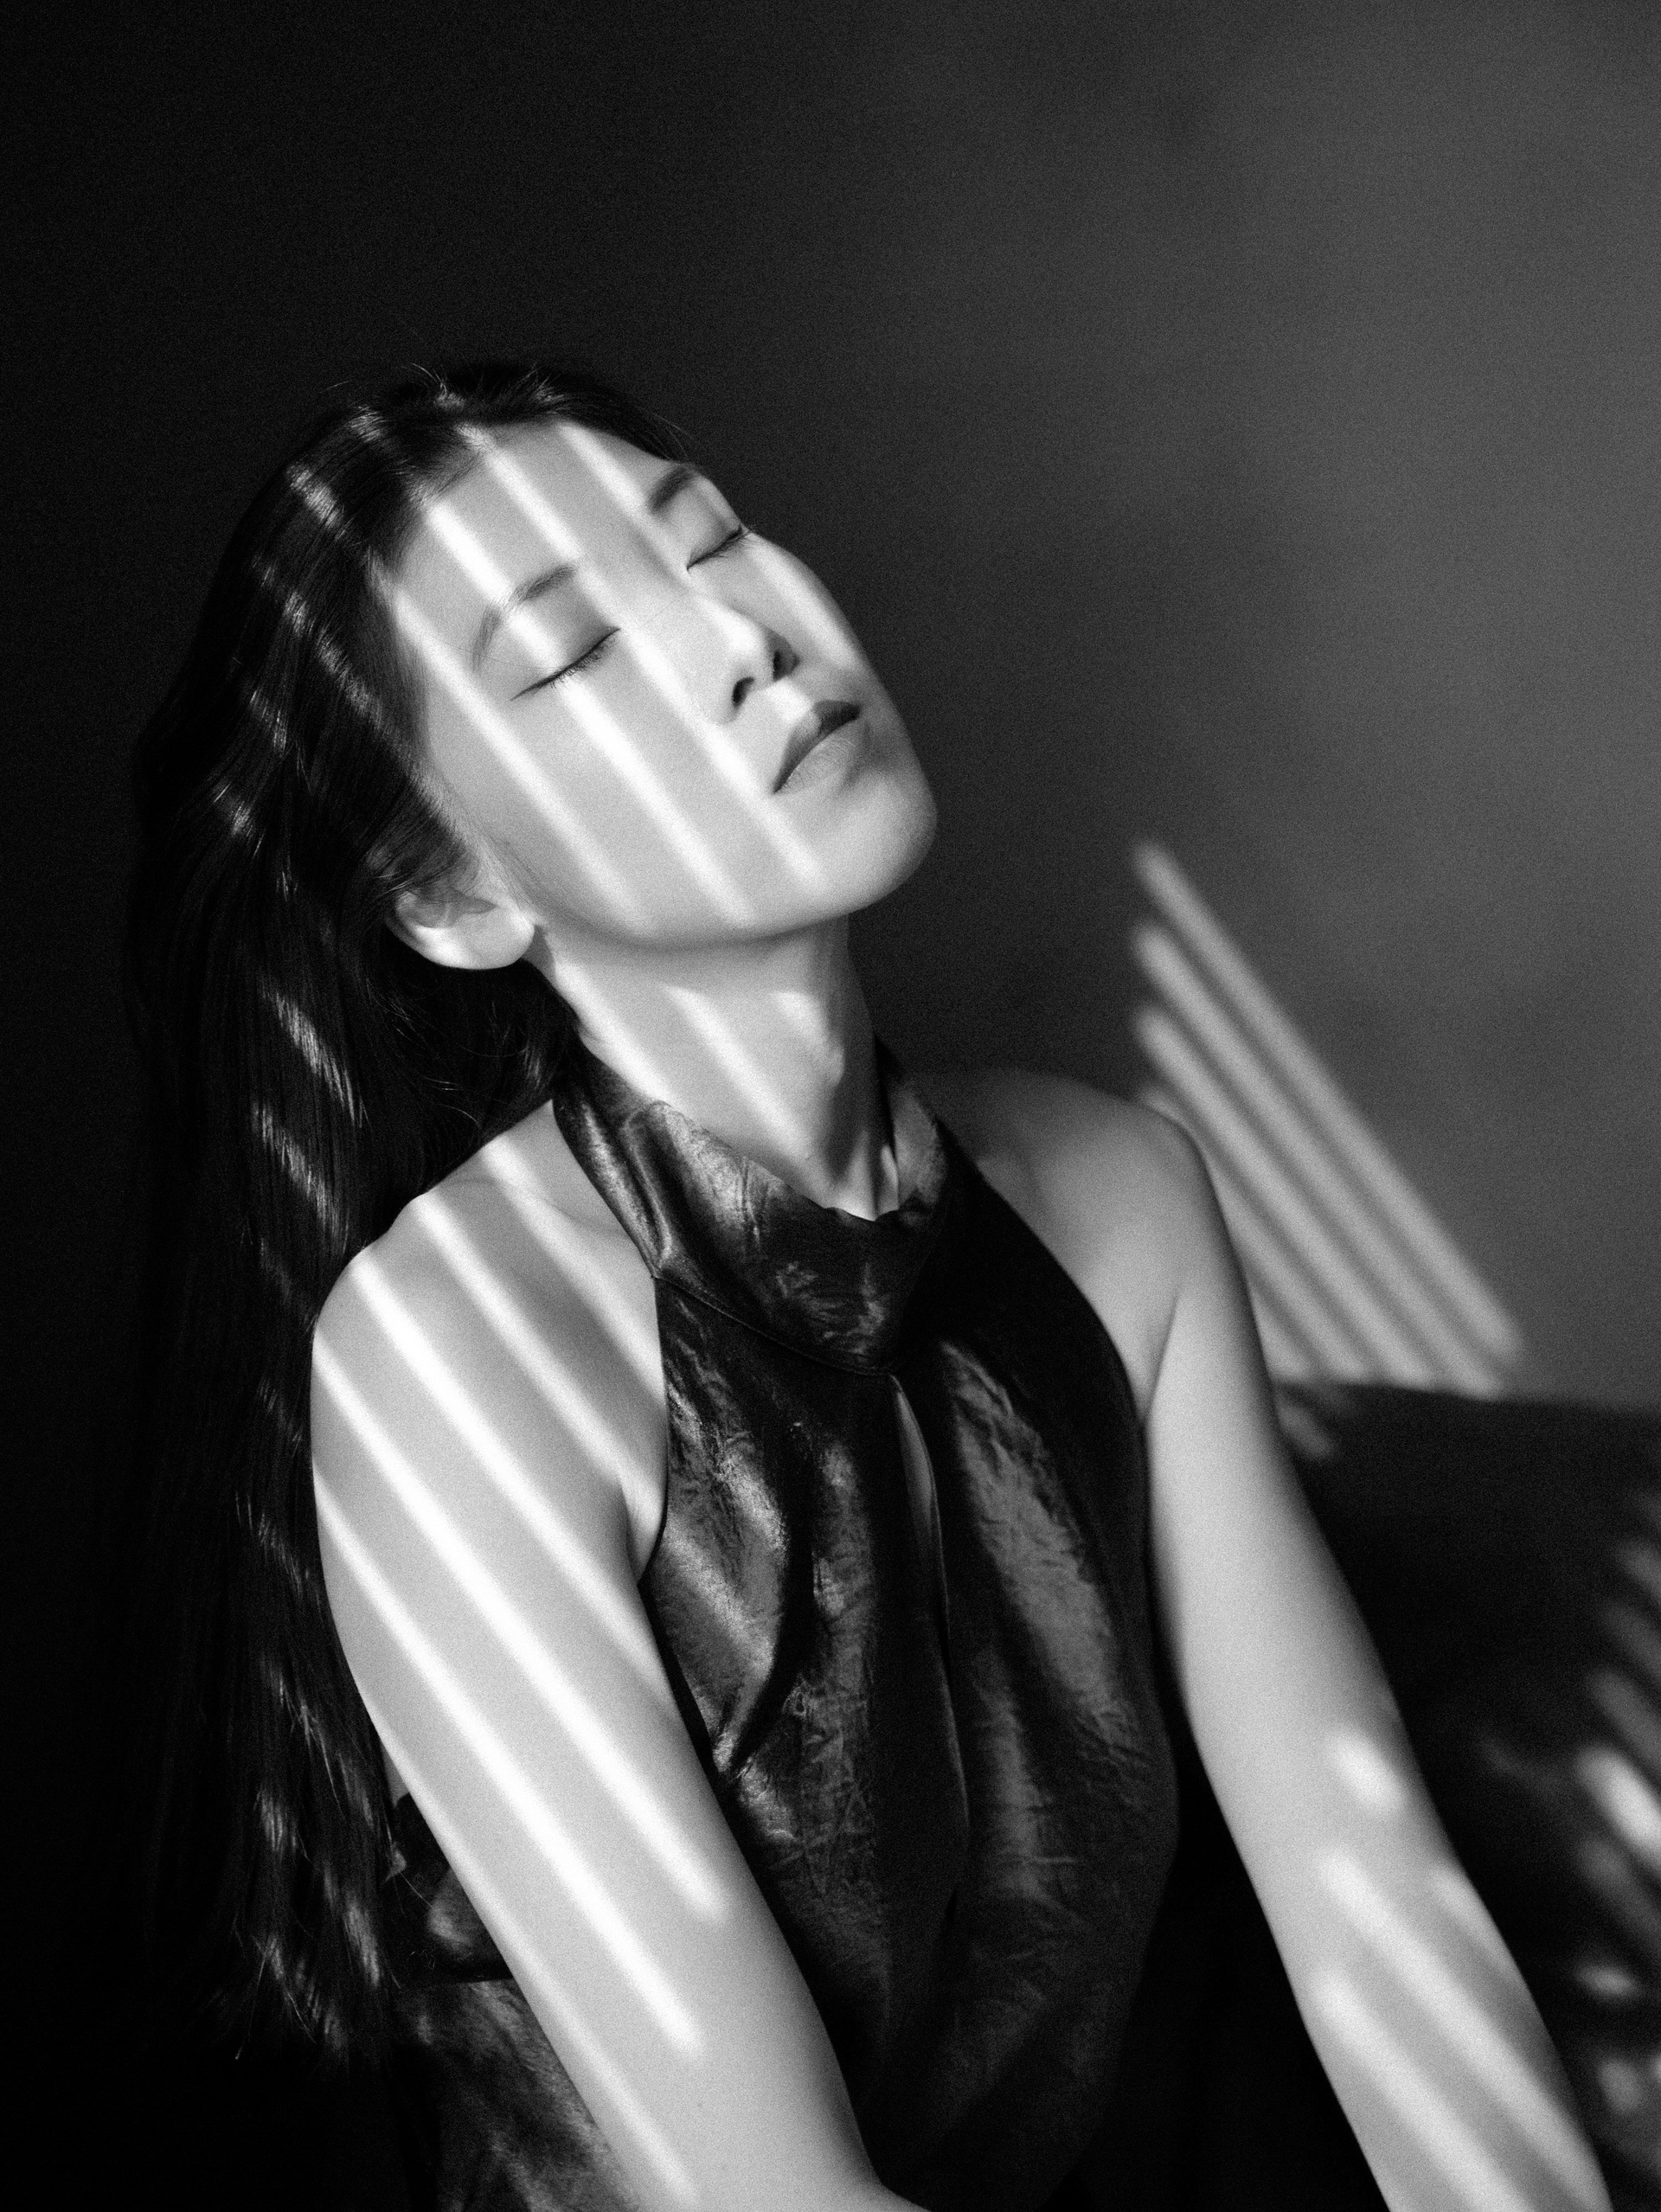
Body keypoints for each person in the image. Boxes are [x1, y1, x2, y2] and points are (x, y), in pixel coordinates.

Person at [119, 360, 1608, 2212]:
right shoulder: (463, 1351)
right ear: (454, 899)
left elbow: (1375, 1904)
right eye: (573, 654)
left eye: (710, 538)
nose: (739, 637)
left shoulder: (1122, 1199)